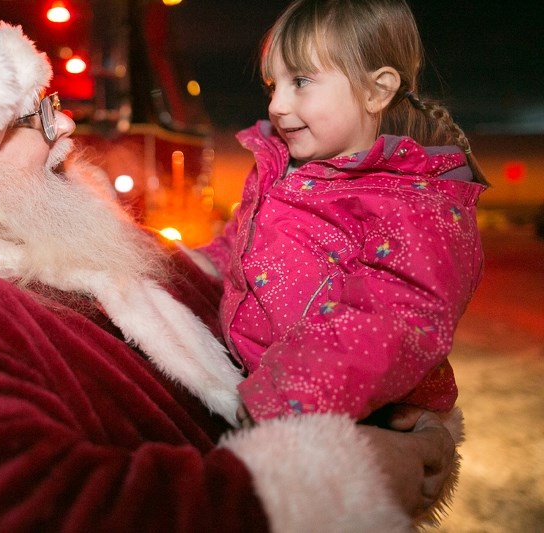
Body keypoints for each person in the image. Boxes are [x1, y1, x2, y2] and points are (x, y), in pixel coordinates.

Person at [0, 14, 457, 533]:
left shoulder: (98, 255)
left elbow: (252, 296)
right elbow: (5, 509)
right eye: (33, 117)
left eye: (52, 102)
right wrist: (337, 483)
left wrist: (394, 406)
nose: (64, 126)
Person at [188, 0, 483, 519]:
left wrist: (281, 399)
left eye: (301, 81)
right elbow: (235, 248)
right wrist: (184, 263)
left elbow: (390, 321)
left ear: (377, 89)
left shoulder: (414, 205)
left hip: (360, 421)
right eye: (271, 85)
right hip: (278, 406)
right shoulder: (282, 173)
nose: (278, 105)